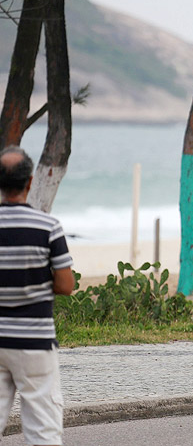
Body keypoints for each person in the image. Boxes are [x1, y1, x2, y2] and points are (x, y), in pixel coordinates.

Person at [0, 146, 74, 445]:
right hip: (35, 341)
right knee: (43, 428)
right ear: (30, 182)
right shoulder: (48, 227)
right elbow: (66, 285)